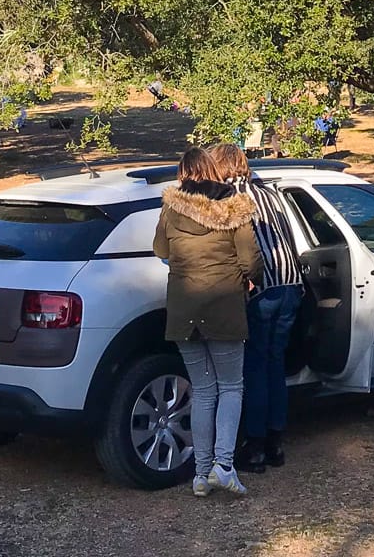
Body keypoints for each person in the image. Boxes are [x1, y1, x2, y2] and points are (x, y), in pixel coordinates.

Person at [152, 146, 261, 497]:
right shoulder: (235, 206)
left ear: (183, 173)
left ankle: (200, 474)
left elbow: (161, 251)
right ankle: (223, 466)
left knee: (201, 389)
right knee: (231, 386)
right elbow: (251, 258)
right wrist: (249, 276)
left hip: (184, 309)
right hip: (224, 304)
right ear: (214, 170)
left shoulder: (171, 207)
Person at [208, 145, 303, 476]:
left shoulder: (223, 199)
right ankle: (277, 442)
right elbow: (288, 237)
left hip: (259, 288)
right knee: (275, 363)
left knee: (254, 367)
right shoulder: (270, 194)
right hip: (290, 283)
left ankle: (256, 446)